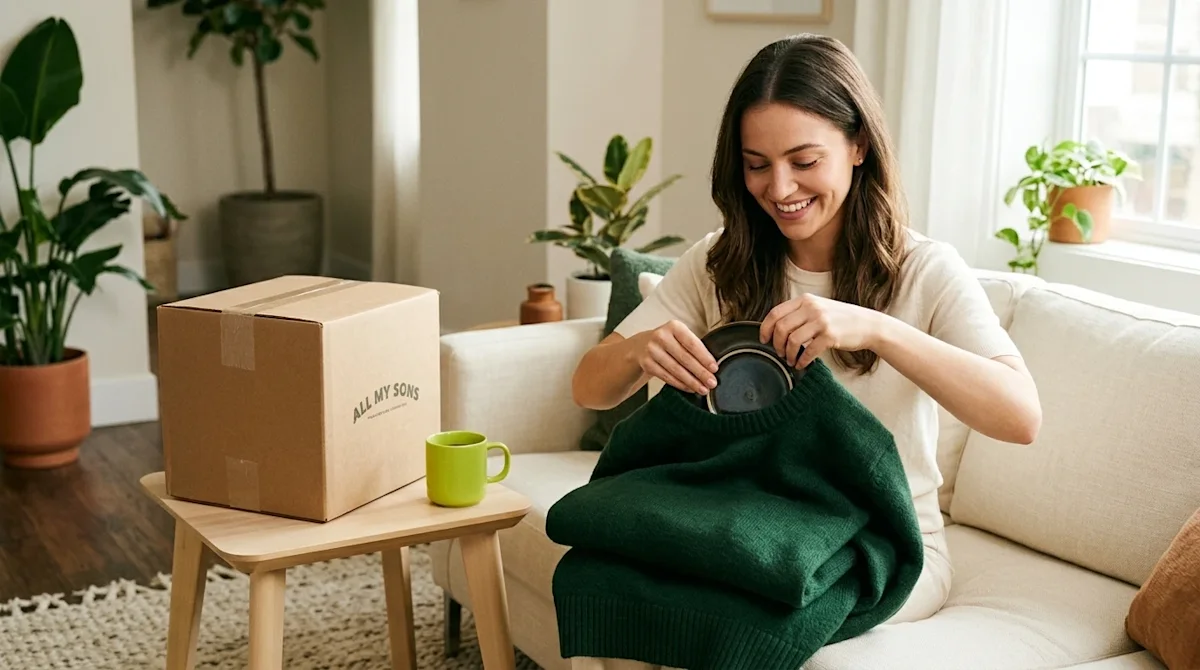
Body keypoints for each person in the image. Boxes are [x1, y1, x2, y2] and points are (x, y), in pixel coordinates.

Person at [567, 33, 1042, 670]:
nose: (780, 186)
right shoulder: (720, 261)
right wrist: (644, 349)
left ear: (858, 145)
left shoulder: (925, 270)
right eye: (756, 164)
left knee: (735, 620)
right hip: (743, 518)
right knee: (605, 578)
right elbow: (589, 388)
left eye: (804, 160)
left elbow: (1020, 415)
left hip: (885, 541)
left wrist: (878, 330)